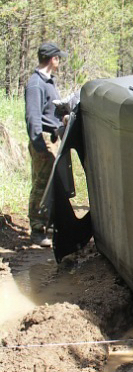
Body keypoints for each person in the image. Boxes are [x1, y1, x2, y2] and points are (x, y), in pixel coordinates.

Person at [24, 42, 67, 247]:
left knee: (52, 184)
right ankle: (37, 230)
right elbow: (33, 117)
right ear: (53, 59)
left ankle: (48, 224)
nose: (59, 61)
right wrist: (40, 145)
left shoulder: (48, 82)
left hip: (52, 139)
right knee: (41, 185)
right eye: (58, 58)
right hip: (42, 141)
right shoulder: (36, 84)